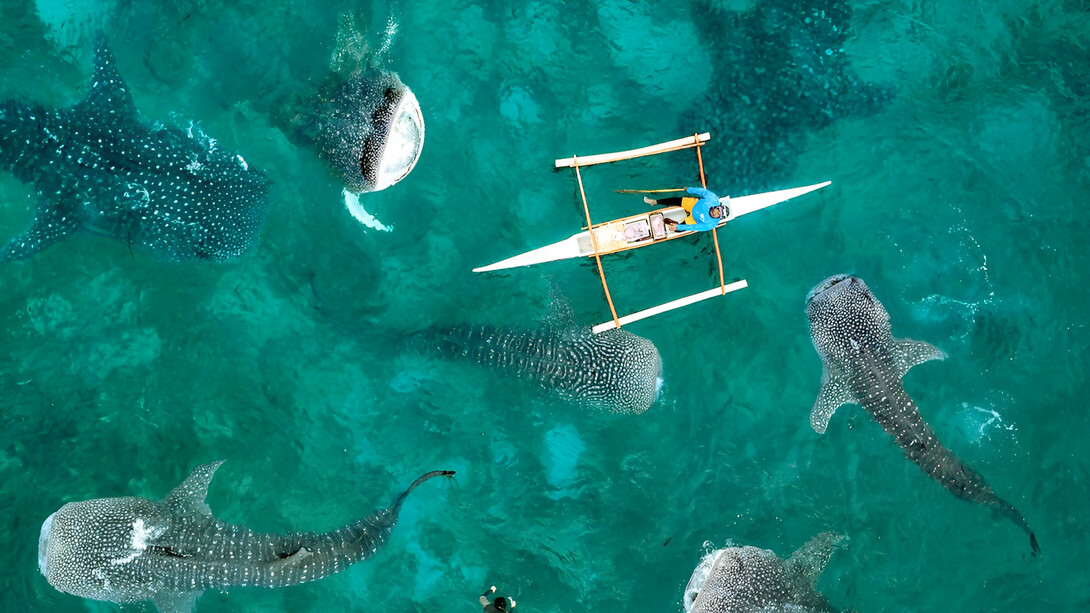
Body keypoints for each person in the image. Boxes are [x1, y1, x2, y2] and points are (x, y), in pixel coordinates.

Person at [644, 186, 728, 232]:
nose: (716, 213)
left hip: (694, 220)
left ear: (719, 218)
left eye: (718, 215)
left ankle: (671, 223)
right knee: (675, 200)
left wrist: (678, 227)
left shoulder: (711, 224)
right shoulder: (713, 199)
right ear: (717, 206)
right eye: (718, 210)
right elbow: (702, 191)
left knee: (678, 229)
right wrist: (689, 190)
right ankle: (654, 202)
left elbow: (694, 227)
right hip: (694, 205)